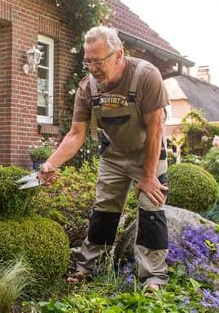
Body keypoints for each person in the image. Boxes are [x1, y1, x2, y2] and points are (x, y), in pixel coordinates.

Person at [39, 26, 169, 291]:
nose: (93, 67)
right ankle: (88, 266)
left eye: (98, 61)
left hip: (148, 151)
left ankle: (153, 277)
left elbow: (155, 129)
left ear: (118, 54)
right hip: (114, 153)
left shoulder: (146, 76)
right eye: (88, 61)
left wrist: (147, 176)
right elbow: (76, 134)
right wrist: (51, 163)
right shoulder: (87, 88)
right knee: (104, 210)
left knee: (151, 208)